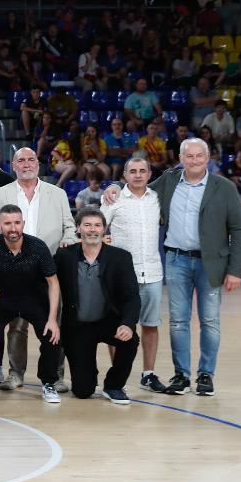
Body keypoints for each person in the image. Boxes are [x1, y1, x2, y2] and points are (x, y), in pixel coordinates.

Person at [102, 138, 241, 396]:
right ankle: (181, 375)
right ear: (181, 158)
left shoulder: (224, 187)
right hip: (176, 260)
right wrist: (113, 185)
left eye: (199, 156)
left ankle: (205, 375)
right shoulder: (168, 182)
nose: (194, 161)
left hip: (210, 263)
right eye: (188, 156)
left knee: (210, 321)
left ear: (208, 157)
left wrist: (235, 270)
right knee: (178, 321)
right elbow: (136, 186)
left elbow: (238, 230)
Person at [0, 147, 75, 392]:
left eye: (31, 160)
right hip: (12, 272)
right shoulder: (0, 193)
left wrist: (68, 241)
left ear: (39, 163)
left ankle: (56, 376)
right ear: (13, 165)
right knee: (16, 326)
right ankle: (16, 374)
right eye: (21, 160)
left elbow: (69, 227)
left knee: (53, 323)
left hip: (49, 272)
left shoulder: (57, 194)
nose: (26, 164)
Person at [0, 205, 64, 404]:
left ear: (23, 224)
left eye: (17, 223)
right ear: (0, 226)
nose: (13, 228)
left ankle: (49, 382)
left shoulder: (37, 247)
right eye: (8, 223)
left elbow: (53, 282)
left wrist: (52, 319)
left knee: (51, 336)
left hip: (34, 300)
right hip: (2, 300)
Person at [55, 208, 141, 404]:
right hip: (78, 326)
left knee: (130, 340)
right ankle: (88, 372)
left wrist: (127, 324)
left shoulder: (121, 257)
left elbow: (132, 296)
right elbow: (47, 285)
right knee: (83, 391)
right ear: (78, 229)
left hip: (109, 321)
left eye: (97, 225)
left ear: (104, 229)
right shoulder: (64, 256)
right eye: (87, 225)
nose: (92, 230)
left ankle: (114, 385)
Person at [101, 156, 167, 393]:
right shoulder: (113, 199)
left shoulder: (158, 199)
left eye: (142, 171)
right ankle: (118, 375)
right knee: (118, 326)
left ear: (150, 174)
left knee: (150, 325)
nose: (138, 175)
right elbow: (98, 229)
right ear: (125, 175)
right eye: (133, 171)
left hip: (152, 272)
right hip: (121, 278)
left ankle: (148, 374)